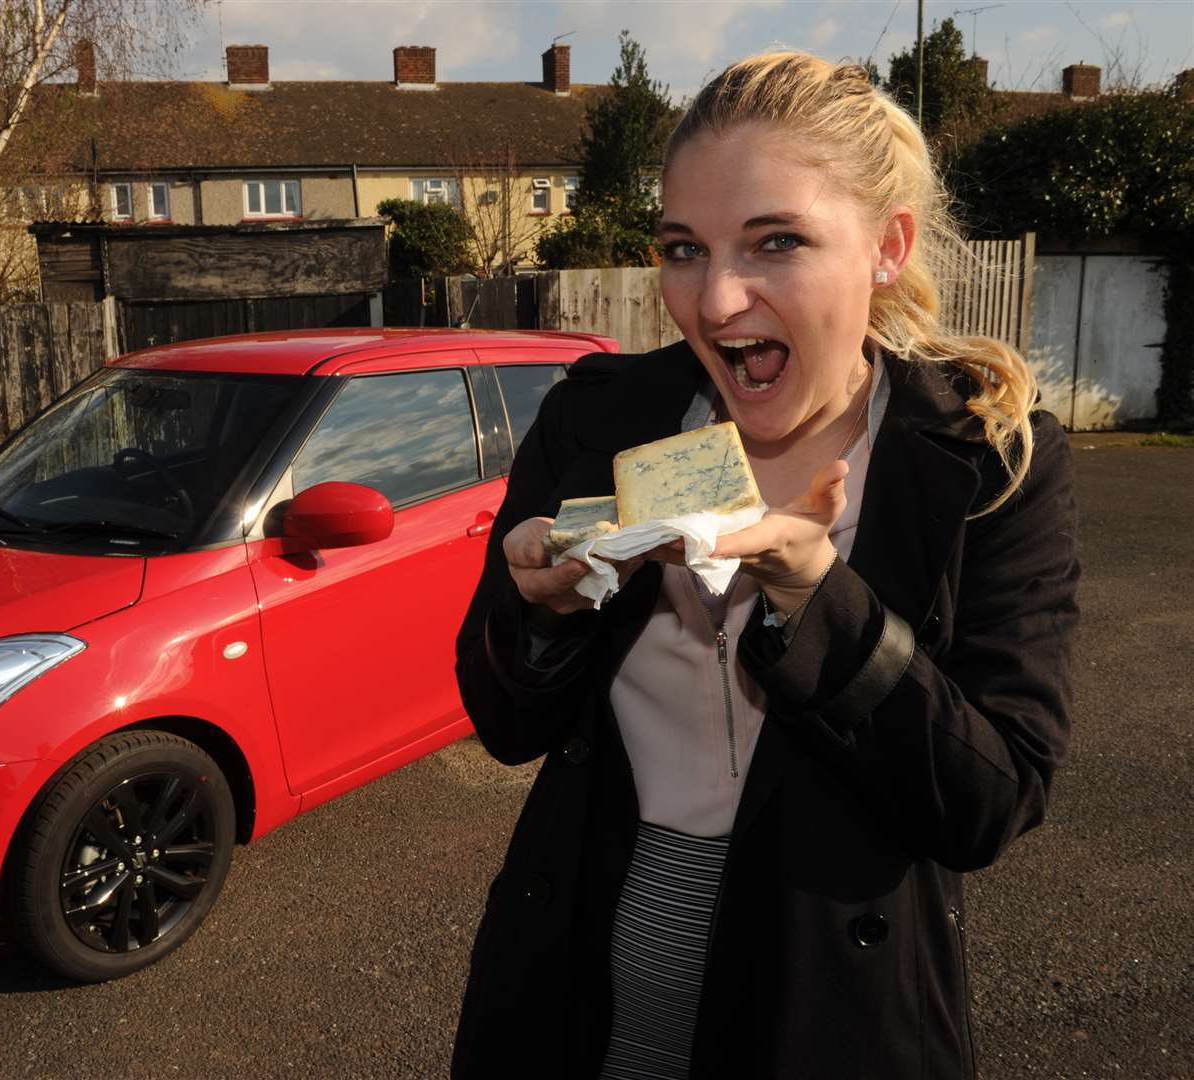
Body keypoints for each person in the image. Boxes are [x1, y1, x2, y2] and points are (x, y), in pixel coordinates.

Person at [450, 52, 1080, 1080]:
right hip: (571, 981)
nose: (716, 299)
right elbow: (503, 719)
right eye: (683, 249)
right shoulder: (601, 417)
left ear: (888, 246)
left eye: (775, 241)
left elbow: (991, 797)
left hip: (827, 1006)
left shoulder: (988, 465)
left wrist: (816, 601)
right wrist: (541, 615)